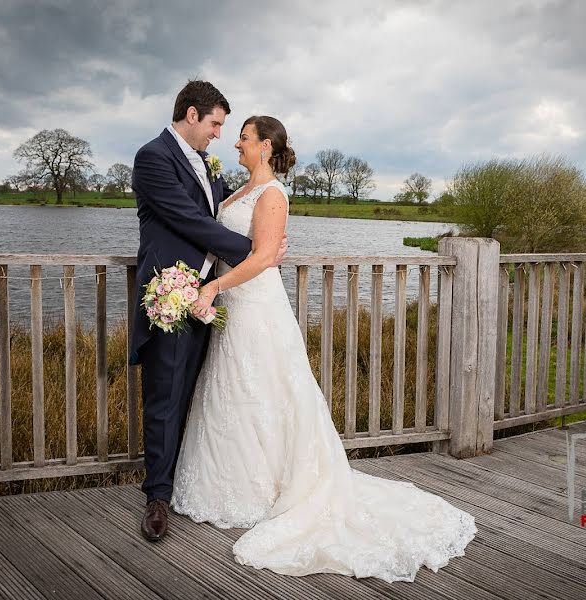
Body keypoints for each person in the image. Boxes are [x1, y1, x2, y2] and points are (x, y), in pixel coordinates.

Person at [171, 115, 477, 583]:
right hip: (236, 304)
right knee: (235, 391)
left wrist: (213, 289)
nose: (237, 143)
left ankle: (274, 488)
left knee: (264, 389)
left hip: (255, 304)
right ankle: (239, 483)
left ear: (266, 147)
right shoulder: (236, 191)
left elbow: (262, 256)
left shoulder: (273, 194)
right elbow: (240, 244)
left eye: (245, 137)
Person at [130, 81, 286, 542]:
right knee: (164, 396)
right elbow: (189, 220)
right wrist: (257, 252)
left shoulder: (207, 165)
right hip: (172, 298)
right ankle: (157, 497)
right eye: (216, 123)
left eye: (229, 128)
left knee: (201, 395)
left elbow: (223, 214)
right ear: (192, 115)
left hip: (215, 299)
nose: (221, 134)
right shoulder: (153, 157)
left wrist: (257, 253)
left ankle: (194, 482)